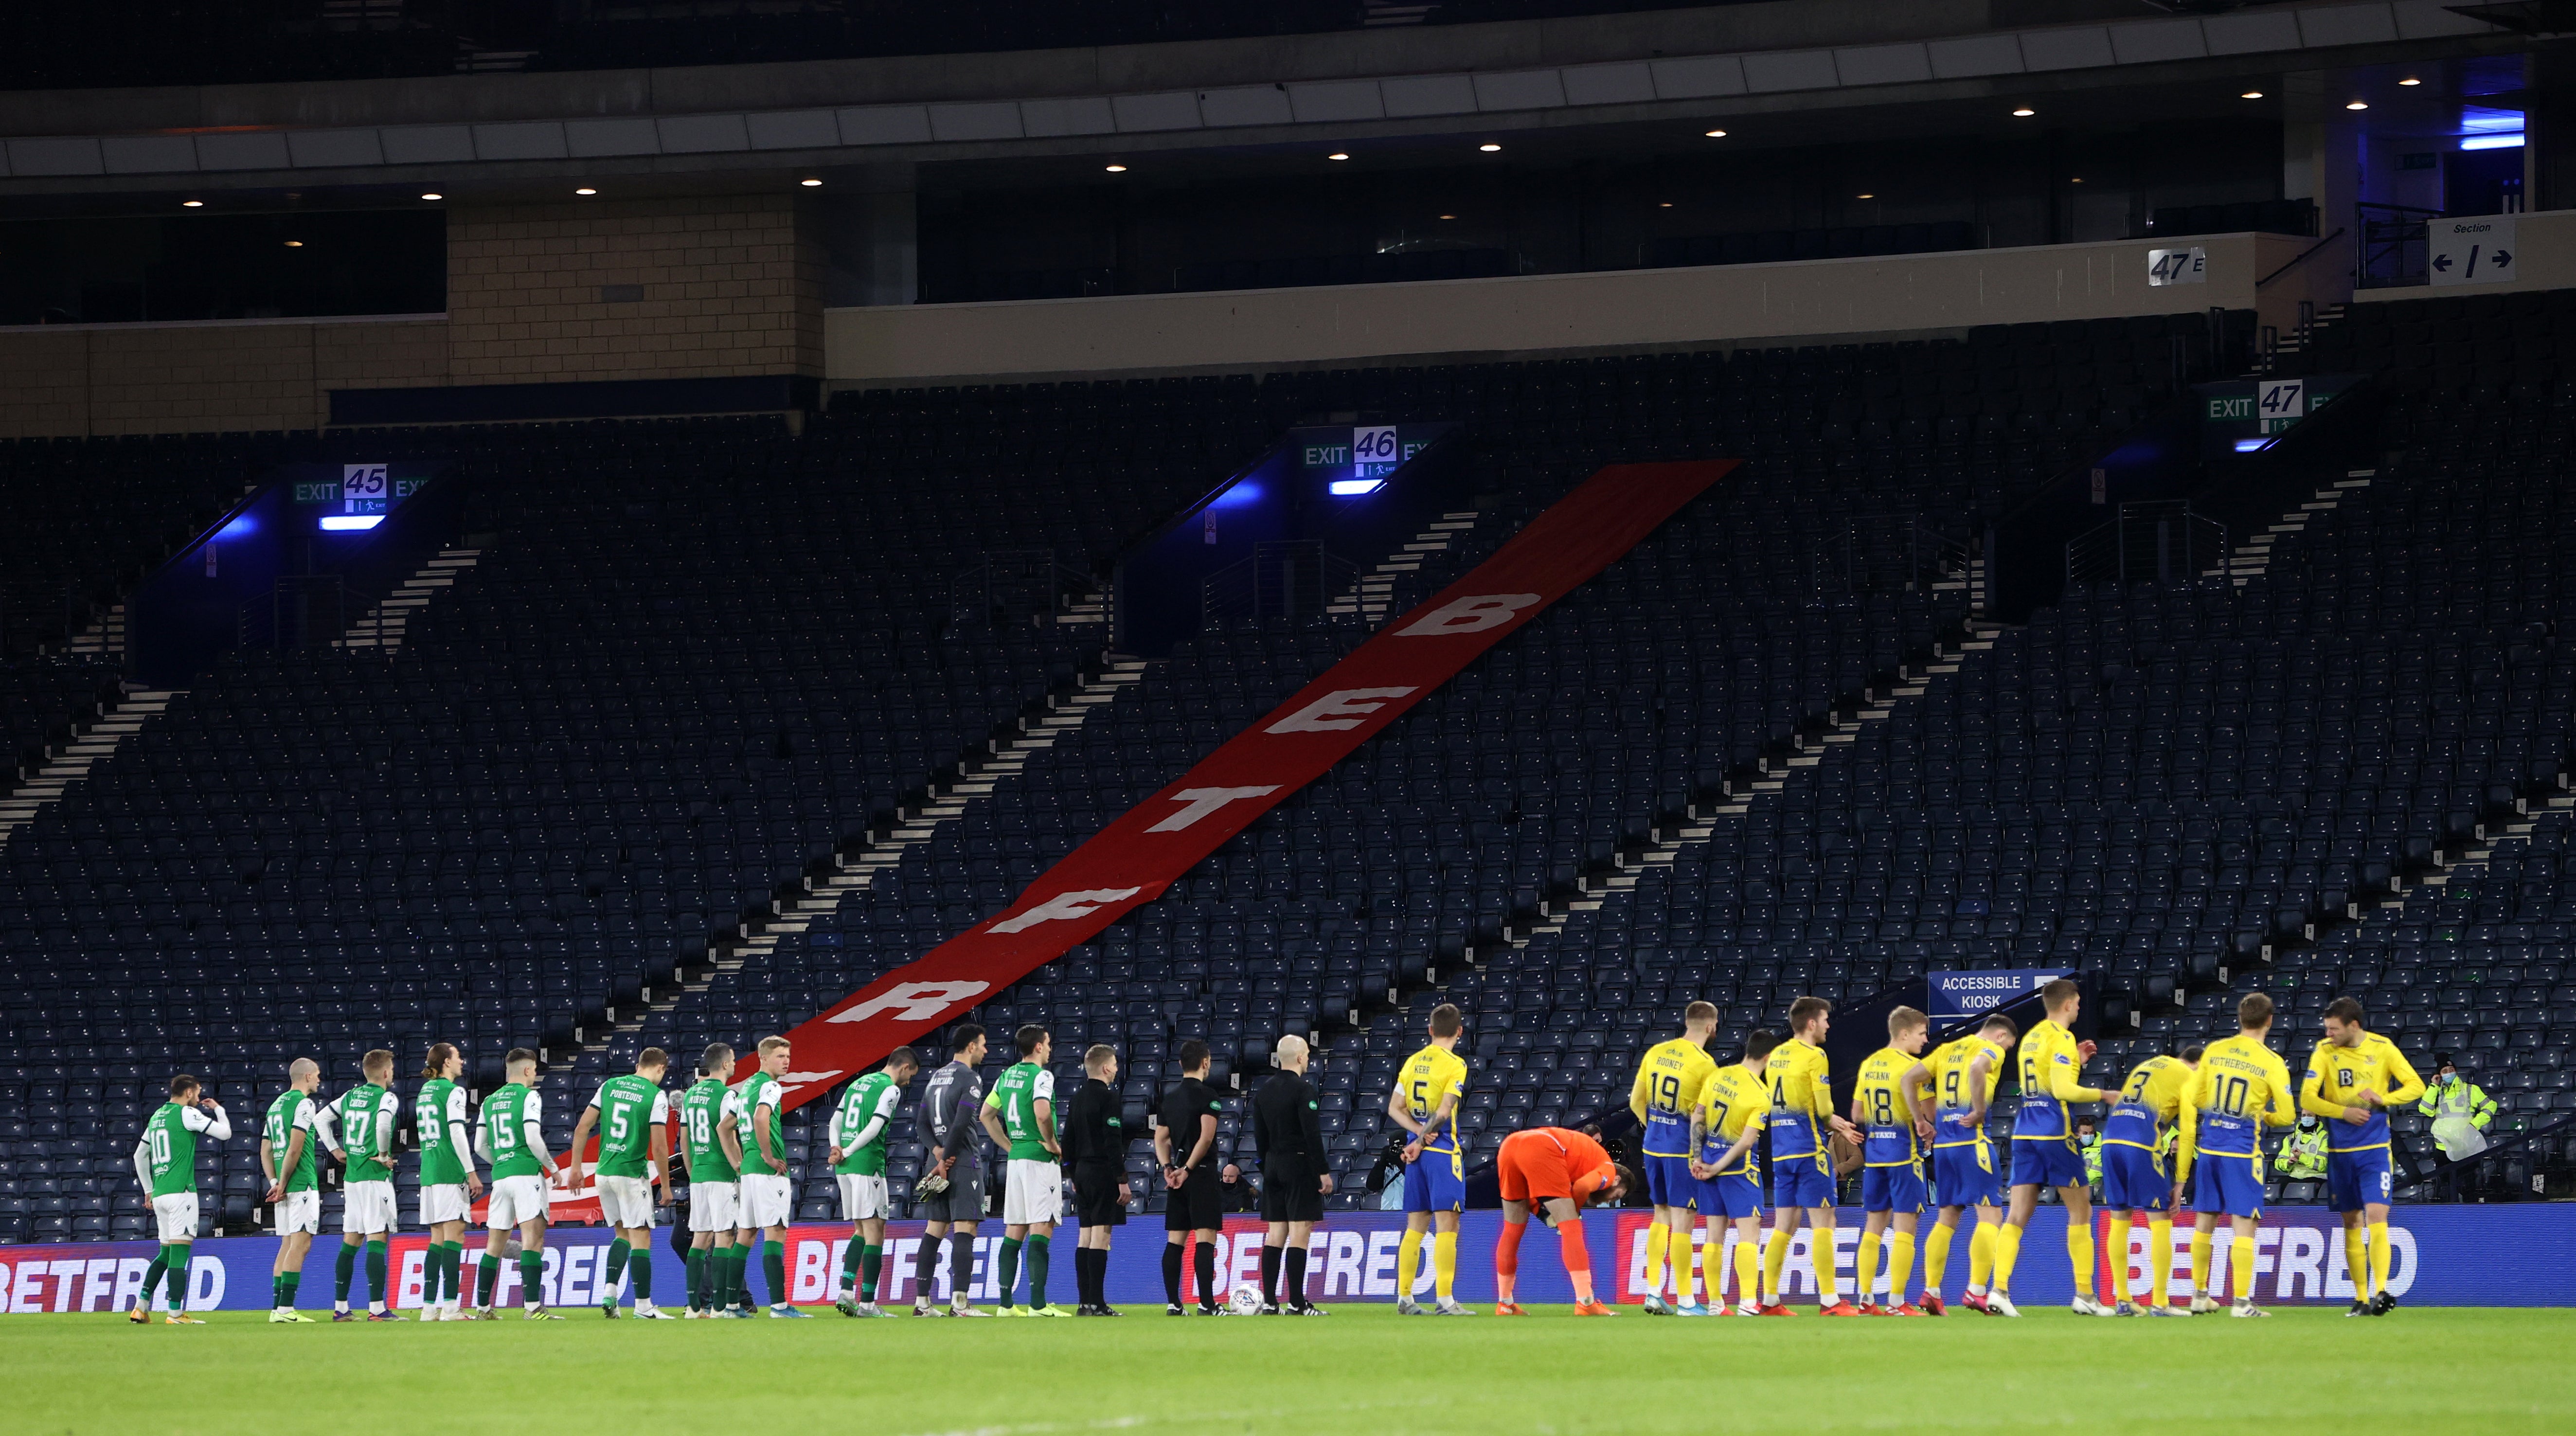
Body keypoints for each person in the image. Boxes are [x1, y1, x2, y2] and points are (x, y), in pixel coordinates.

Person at [1993, 977, 2115, 1317]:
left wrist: (2075, 1061)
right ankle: (2085, 1295)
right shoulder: (2062, 1037)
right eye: (2076, 1002)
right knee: (2081, 1211)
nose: (2078, 1006)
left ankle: (1999, 1290)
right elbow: (2063, 1090)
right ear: (2066, 1004)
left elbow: (2049, 1076)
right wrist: (2104, 1095)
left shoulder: (2032, 1037)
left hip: (2025, 1130)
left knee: (2017, 1214)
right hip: (2055, 1131)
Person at [2302, 996, 2425, 1317]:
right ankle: (2360, 1298)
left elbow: (2416, 1086)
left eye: (2334, 1029)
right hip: (2340, 1152)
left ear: (2353, 1026)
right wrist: (2343, 1111)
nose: (2329, 1034)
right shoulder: (2324, 1051)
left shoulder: (2382, 1048)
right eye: (2326, 1028)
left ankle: (2381, 1291)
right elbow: (2307, 1098)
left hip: (2374, 1150)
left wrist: (2384, 1098)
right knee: (2351, 1223)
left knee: (2377, 1216)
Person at [2177, 993, 2297, 1317]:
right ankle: (2242, 1302)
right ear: (2270, 1021)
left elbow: (2194, 1094)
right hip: (2242, 1152)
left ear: (2241, 1019)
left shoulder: (2215, 1051)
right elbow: (2287, 1116)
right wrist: (2262, 1115)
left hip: (2210, 1148)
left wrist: (2216, 1109)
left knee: (2205, 1224)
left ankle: (2199, 1295)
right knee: (2244, 1224)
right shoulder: (2271, 1062)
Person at [1760, 996, 1863, 1316]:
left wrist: (1840, 1125)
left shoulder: (1777, 1055)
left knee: (1784, 1226)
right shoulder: (1815, 1056)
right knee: (1824, 1223)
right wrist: (1836, 1120)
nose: (1829, 1025)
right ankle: (1831, 1300)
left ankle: (1769, 1300)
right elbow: (1822, 1109)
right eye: (1825, 1019)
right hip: (1809, 1151)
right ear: (1811, 1023)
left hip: (1781, 1151)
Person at [564, 1046, 676, 1318]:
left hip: (603, 1174)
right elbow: (660, 1148)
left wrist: (576, 1168)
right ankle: (643, 1306)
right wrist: (666, 1183)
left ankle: (610, 1295)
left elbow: (582, 1128)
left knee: (621, 1235)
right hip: (630, 1174)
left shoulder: (609, 1086)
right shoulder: (656, 1095)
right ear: (661, 1069)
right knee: (641, 1238)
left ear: (639, 1064)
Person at [1629, 1001, 1719, 1316]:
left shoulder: (1656, 1052)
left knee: (1661, 1216)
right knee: (1684, 1223)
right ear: (1710, 1027)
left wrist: (1654, 1126)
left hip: (1653, 1146)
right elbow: (1702, 1117)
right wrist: (1700, 1154)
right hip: (1681, 1150)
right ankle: (1686, 1301)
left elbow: (1635, 1101)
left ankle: (1653, 1292)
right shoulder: (1706, 1065)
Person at [1922, 1012, 2015, 1316]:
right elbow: (1978, 1067)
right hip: (1973, 1141)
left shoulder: (1947, 1048)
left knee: (1946, 1219)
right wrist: (1978, 1109)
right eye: (2009, 1045)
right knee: (1990, 1217)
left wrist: (1923, 1122)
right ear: (2001, 1036)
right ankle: (1976, 1291)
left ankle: (1932, 1291)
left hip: (1945, 1146)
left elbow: (1910, 1078)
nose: (2007, 1051)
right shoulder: (1991, 1049)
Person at [2099, 1043, 2200, 1316]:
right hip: (2141, 1144)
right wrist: (2180, 1183)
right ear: (2196, 1065)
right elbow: (2188, 1134)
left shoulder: (2149, 1064)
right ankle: (2161, 1302)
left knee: (2119, 1219)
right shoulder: (2190, 1077)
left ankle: (2123, 1299)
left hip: (2109, 1141)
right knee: (2160, 1219)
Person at [1491, 1125, 1633, 1314]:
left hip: (1509, 1146)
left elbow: (1535, 1192)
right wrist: (1574, 1213)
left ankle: (1505, 1303)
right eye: (1616, 1196)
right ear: (1617, 1181)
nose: (1610, 1200)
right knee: (1572, 1228)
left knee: (1512, 1229)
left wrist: (1544, 1213)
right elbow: (1582, 1187)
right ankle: (1586, 1302)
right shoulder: (1608, 1169)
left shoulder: (1581, 1163)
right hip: (1543, 1145)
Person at [1387, 1002, 1472, 1316]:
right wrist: (1424, 1139)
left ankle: (1405, 1299)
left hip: (1414, 1155)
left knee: (1415, 1227)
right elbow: (1446, 1110)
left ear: (1431, 1031)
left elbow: (1394, 1108)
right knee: (1447, 1224)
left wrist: (1415, 1138)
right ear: (1459, 1032)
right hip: (1441, 1151)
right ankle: (1446, 1301)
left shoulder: (1411, 1062)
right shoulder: (1455, 1064)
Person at [1851, 1006, 1937, 1316]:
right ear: (1903, 1034)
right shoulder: (1915, 1068)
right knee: (1905, 1228)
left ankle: (1865, 1298)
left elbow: (1857, 1115)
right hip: (1904, 1155)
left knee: (1873, 1227)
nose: (1925, 1040)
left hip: (1875, 1157)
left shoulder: (1869, 1065)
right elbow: (1931, 1114)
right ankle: (1897, 1302)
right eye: (1921, 1033)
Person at [1688, 1028, 1776, 1316]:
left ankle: (1716, 1303)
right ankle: (1749, 1302)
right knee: (1748, 1235)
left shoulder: (1717, 1075)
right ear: (1768, 1057)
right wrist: (1717, 1167)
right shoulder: (1762, 1095)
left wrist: (1698, 1157)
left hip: (1708, 1162)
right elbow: (1747, 1141)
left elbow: (1698, 1116)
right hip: (1739, 1170)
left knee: (1714, 1236)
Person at [981, 1024, 1067, 1317]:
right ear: (1039, 1047)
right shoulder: (1042, 1075)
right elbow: (1043, 1112)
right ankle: (1038, 1305)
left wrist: (1008, 1146)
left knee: (1015, 1229)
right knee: (1041, 1227)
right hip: (1039, 1159)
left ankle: (1005, 1306)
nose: (1051, 1048)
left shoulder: (1006, 1076)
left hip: (1017, 1159)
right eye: (1048, 1043)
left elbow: (986, 1114)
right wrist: (1052, 1143)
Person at [827, 1045, 918, 1318]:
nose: (909, 1080)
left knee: (860, 1230)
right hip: (867, 1165)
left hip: (844, 1168)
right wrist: (851, 1150)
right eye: (910, 1074)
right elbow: (875, 1126)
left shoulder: (857, 1083)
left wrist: (836, 1148)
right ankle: (867, 1304)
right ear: (903, 1067)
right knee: (876, 1231)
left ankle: (845, 1291)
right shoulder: (890, 1089)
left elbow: (835, 1121)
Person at [473, 1047, 564, 1319]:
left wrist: (503, 1161)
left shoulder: (489, 1101)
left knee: (495, 1245)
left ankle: (483, 1309)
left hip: (501, 1177)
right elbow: (533, 1137)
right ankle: (533, 1308)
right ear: (527, 1070)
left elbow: (479, 1146)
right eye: (534, 1070)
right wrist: (553, 1167)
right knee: (532, 1242)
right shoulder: (529, 1096)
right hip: (526, 1175)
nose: (535, 1074)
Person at [132, 1074, 230, 1324]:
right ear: (188, 1093)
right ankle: (175, 1314)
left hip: (161, 1195)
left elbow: (139, 1155)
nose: (198, 1098)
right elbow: (225, 1134)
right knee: (179, 1256)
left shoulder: (156, 1117)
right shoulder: (187, 1113)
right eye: (197, 1093)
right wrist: (219, 1110)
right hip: (181, 1195)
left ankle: (140, 1308)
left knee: (164, 1254)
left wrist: (148, 1189)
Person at [1252, 1034, 1334, 1315]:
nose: (1309, 1058)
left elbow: (1259, 1138)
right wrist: (1322, 1171)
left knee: (1275, 1234)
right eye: (1308, 1054)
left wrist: (1267, 1167)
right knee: (1300, 1233)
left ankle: (1270, 1302)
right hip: (1298, 1164)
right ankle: (1297, 1303)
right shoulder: (1304, 1090)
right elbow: (1312, 1135)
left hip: (1273, 1165)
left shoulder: (1263, 1092)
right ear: (1299, 1058)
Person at [914, 1024, 992, 1317]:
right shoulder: (970, 1077)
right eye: (983, 1045)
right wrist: (947, 1160)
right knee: (966, 1226)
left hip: (937, 1162)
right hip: (961, 1162)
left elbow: (921, 1124)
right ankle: (960, 1304)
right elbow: (960, 1124)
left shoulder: (935, 1077)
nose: (986, 1050)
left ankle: (922, 1303)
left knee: (934, 1229)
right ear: (971, 1046)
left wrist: (936, 1154)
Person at [325, 1048, 403, 1321]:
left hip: (353, 1179)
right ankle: (378, 1308)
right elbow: (383, 1126)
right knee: (378, 1237)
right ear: (384, 1073)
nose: (392, 1073)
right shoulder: (387, 1097)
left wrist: (336, 1150)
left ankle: (342, 1307)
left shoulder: (350, 1096)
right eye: (391, 1069)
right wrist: (383, 1156)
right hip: (374, 1177)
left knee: (351, 1241)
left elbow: (321, 1119)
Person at [732, 1035, 805, 1317]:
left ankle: (731, 1306)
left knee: (745, 1235)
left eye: (788, 1057)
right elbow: (761, 1118)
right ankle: (779, 1306)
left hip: (749, 1170)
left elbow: (726, 1126)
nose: (786, 1062)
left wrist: (739, 1160)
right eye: (780, 1057)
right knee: (775, 1232)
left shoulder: (747, 1086)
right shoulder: (770, 1086)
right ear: (763, 1058)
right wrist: (767, 1155)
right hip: (766, 1170)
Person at [1057, 1043, 1129, 1316]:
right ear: (1106, 1067)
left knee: (1084, 1236)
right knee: (1101, 1237)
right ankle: (1098, 1304)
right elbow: (1113, 1142)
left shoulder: (1076, 1098)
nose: (1117, 1069)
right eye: (1115, 1064)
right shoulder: (1109, 1098)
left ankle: (1084, 1303)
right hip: (1102, 1172)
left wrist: (1074, 1174)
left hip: (1083, 1174)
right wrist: (1121, 1178)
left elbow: (1067, 1143)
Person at [1154, 1038, 1225, 1315]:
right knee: (1205, 1238)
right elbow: (1206, 1138)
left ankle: (1174, 1304)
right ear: (1206, 1063)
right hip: (1201, 1173)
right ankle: (1207, 1305)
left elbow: (1160, 1138)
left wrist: (1167, 1167)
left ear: (1181, 1064)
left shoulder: (1169, 1098)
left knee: (1176, 1241)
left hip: (1176, 1178)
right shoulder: (1209, 1096)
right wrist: (1189, 1170)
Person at [259, 1057, 332, 1323]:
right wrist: (285, 1183)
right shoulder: (305, 1104)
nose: (319, 1080)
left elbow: (265, 1150)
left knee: (287, 1245)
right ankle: (285, 1309)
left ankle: (276, 1308)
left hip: (282, 1188)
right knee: (300, 1244)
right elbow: (295, 1147)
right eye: (317, 1075)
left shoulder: (276, 1106)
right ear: (308, 1077)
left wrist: (273, 1183)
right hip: (300, 1184)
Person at [413, 1042, 481, 1321]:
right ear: (446, 1063)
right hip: (449, 1171)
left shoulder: (424, 1092)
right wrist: (471, 1171)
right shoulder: (453, 1091)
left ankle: (429, 1308)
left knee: (437, 1240)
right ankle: (451, 1307)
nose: (462, 1062)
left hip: (429, 1172)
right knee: (455, 1237)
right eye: (457, 1057)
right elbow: (456, 1132)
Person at [678, 1044, 743, 1317]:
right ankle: (719, 1307)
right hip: (722, 1174)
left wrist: (693, 1172)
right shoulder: (728, 1095)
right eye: (733, 1061)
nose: (735, 1064)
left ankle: (694, 1308)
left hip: (700, 1175)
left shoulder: (691, 1094)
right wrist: (739, 1168)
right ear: (726, 1065)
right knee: (725, 1237)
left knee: (700, 1239)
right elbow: (729, 1135)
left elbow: (684, 1140)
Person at [2418, 1052, 2496, 1164]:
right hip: (2443, 1148)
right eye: (2445, 1071)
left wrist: (2474, 1125)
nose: (2449, 1073)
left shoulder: (2470, 1089)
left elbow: (2491, 1106)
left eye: (2451, 1070)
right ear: (2439, 1075)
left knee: (2469, 1179)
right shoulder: (2437, 1092)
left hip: (2466, 1146)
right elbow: (2425, 1109)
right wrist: (2434, 1086)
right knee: (2445, 1180)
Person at [2277, 1116, 2330, 1182]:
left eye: (2310, 1115)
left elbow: (2323, 1166)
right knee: (2281, 1182)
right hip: (2295, 1177)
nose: (2306, 1118)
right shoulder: (2290, 1138)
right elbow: (2279, 1163)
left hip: (2317, 1177)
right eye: (2304, 1115)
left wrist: (2301, 1157)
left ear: (2317, 1119)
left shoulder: (2325, 1137)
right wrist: (2288, 1163)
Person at [2076, 1118, 2104, 1199]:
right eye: (2085, 1133)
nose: (2089, 1136)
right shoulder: (2071, 1147)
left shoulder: (2102, 1147)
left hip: (2093, 1188)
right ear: (2078, 1134)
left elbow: (2096, 1174)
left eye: (2091, 1133)